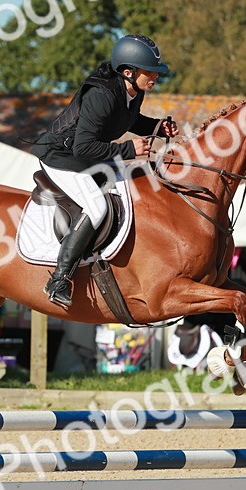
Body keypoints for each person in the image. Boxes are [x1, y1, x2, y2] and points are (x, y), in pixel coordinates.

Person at [30, 34, 180, 308]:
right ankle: (59, 279)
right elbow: (83, 148)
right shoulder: (102, 94)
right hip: (61, 157)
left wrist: (156, 127)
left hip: (84, 155)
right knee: (96, 207)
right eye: (151, 72)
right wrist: (129, 151)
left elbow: (128, 120)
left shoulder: (134, 90)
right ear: (128, 72)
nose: (155, 77)